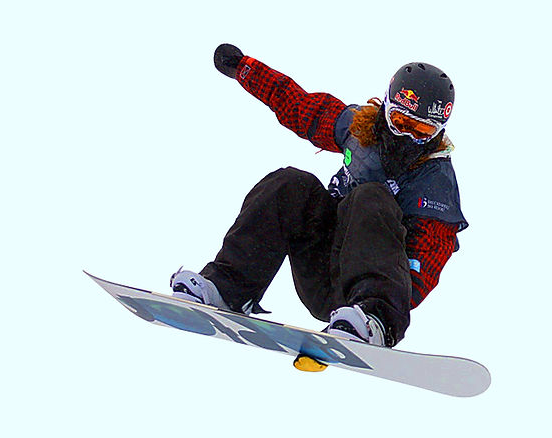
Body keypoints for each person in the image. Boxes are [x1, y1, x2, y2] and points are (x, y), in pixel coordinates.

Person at [169, 43, 468, 348]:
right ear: (386, 110)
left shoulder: (435, 182)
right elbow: (298, 105)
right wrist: (244, 69)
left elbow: (430, 253)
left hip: (372, 282)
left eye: (420, 131)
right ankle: (227, 288)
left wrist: (393, 300)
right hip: (320, 264)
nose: (406, 136)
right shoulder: (359, 129)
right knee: (291, 183)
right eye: (400, 122)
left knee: (371, 197)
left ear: (438, 132)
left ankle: (374, 320)